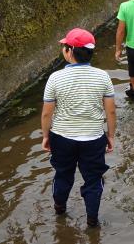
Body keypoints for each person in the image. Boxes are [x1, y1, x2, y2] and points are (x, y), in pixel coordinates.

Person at [41, 28, 116, 227]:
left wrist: (45, 136)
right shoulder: (103, 77)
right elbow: (111, 112)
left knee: (63, 174)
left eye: (65, 46)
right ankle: (92, 220)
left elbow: (47, 113)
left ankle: (59, 209)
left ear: (69, 51)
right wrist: (110, 135)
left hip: (62, 138)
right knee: (93, 180)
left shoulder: (55, 78)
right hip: (93, 138)